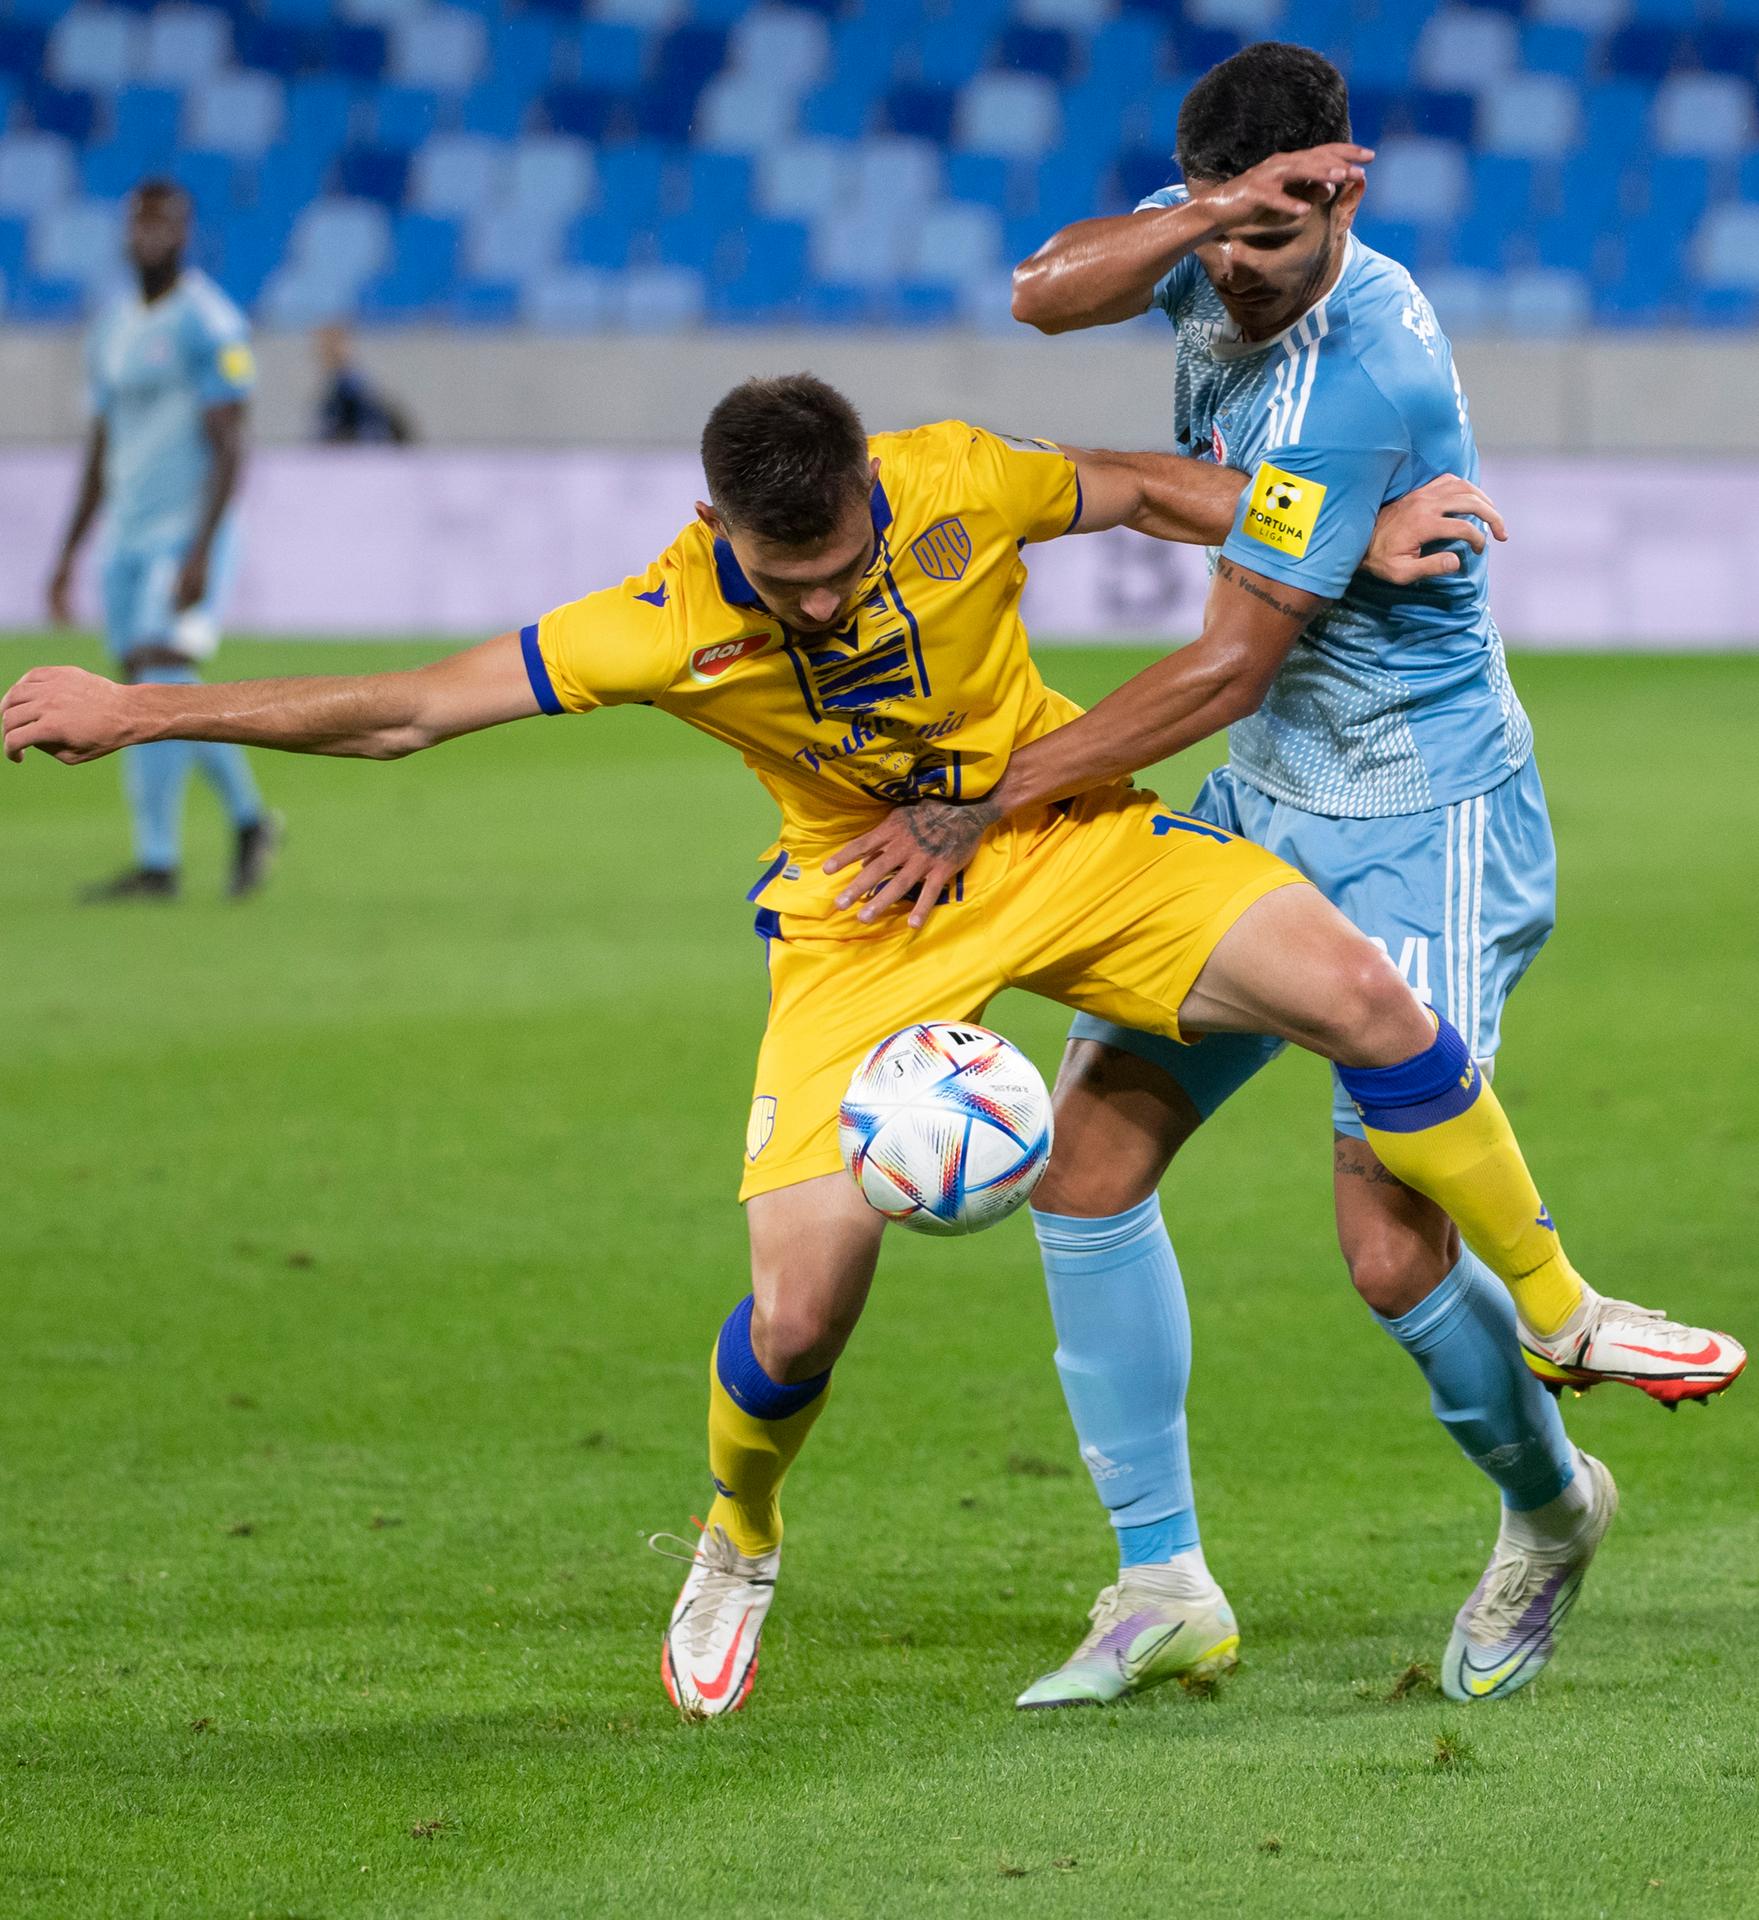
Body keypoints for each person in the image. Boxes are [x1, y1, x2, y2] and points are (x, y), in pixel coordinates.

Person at [3, 376, 1736, 1726]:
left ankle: (1555, 1305)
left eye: (843, 567)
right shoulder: (659, 619)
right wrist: (139, 708)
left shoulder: (954, 478)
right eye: (791, 585)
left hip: (1053, 837)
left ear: (867, 495)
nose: (826, 605)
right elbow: (405, 712)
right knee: (796, 1319)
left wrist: (1337, 526)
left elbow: (1147, 488)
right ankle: (738, 1537)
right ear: (716, 528)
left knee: (1365, 998)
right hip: (864, 917)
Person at [828, 42, 1746, 1709]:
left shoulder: (1360, 372)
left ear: (1346, 188)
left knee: (1387, 1250)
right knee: (1084, 1167)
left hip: (1419, 817)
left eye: (1276, 233)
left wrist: (986, 801)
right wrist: (1205, 220)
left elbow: (1221, 668)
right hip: (1267, 797)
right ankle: (1159, 1583)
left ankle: (1550, 1509)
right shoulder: (1215, 243)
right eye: (1221, 229)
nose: (1241, 272)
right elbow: (1039, 295)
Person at [45, 179, 278, 902]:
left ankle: (157, 863)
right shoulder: (111, 327)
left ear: (185, 234)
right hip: (126, 536)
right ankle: (249, 820)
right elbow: (101, 445)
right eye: (139, 224)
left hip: (184, 534)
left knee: (154, 680)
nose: (150, 237)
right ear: (126, 233)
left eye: (164, 225)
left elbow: (232, 444)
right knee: (147, 692)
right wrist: (67, 553)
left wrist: (201, 551)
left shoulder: (209, 322)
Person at [312, 324, 417, 446]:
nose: (324, 353)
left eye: (329, 348)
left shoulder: (352, 386)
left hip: (365, 451)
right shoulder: (338, 385)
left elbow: (370, 426)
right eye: (323, 348)